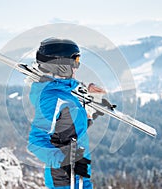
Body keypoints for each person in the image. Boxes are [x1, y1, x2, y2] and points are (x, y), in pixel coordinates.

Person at [27, 38, 104, 189]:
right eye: (75, 61)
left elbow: (70, 128)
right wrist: (65, 162)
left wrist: (95, 102)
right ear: (61, 66)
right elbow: (35, 142)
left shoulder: (65, 94)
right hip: (64, 180)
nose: (77, 66)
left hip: (79, 176)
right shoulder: (53, 98)